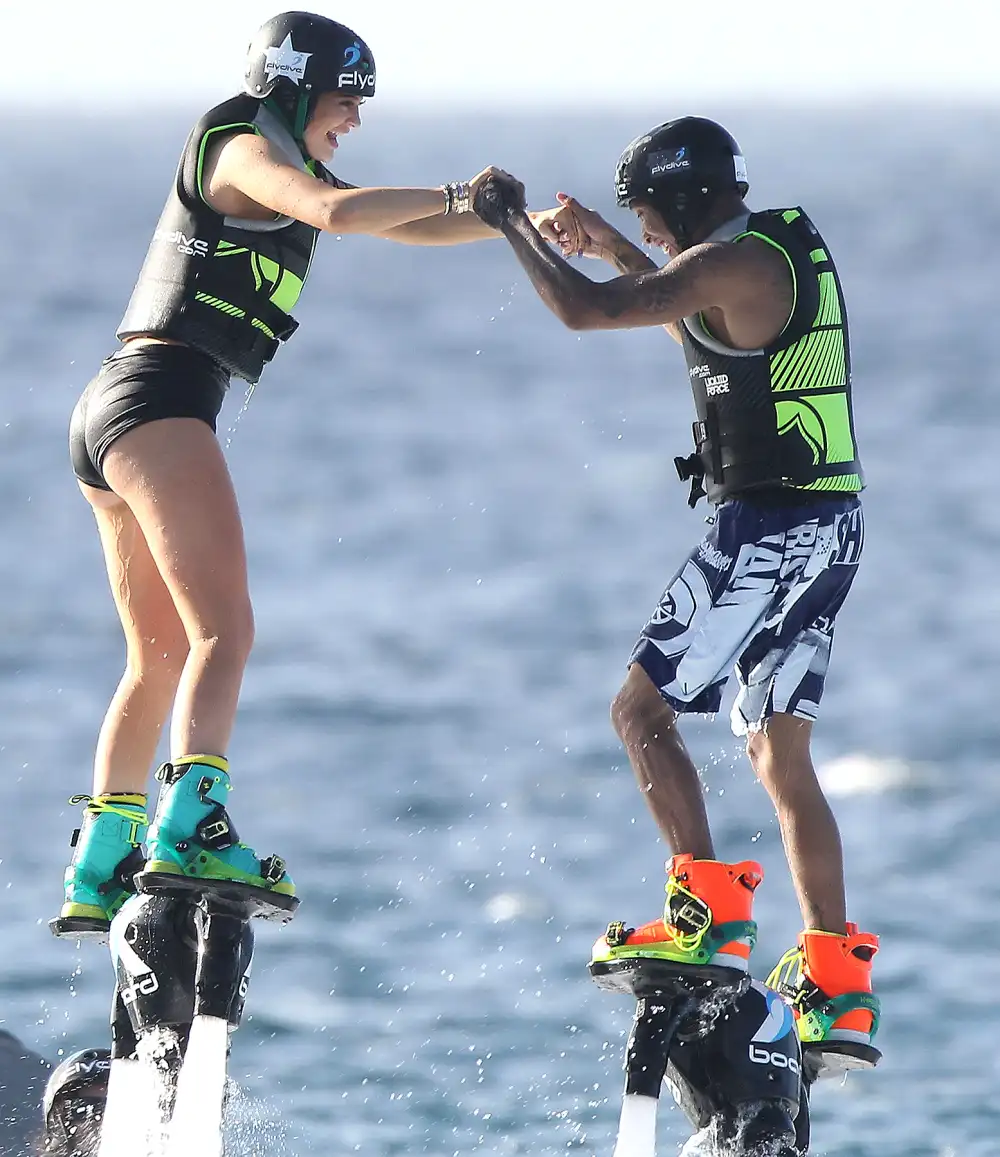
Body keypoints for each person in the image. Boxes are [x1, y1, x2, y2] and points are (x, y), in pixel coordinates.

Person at [52, 10, 528, 941]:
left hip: (119, 408)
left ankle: (102, 859)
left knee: (154, 656)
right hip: (158, 400)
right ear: (299, 85)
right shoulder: (236, 146)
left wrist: (510, 223)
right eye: (346, 102)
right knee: (224, 632)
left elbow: (404, 226)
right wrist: (455, 185)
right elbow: (339, 215)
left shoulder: (283, 158)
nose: (353, 121)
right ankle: (191, 830)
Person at [474, 118, 879, 1070]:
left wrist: (510, 225)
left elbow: (591, 312)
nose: (647, 232)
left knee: (640, 710)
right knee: (781, 755)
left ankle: (705, 916)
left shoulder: (729, 264)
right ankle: (833, 979)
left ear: (688, 200)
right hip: (828, 524)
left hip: (771, 529)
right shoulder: (765, 252)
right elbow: (687, 309)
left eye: (649, 216)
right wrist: (614, 249)